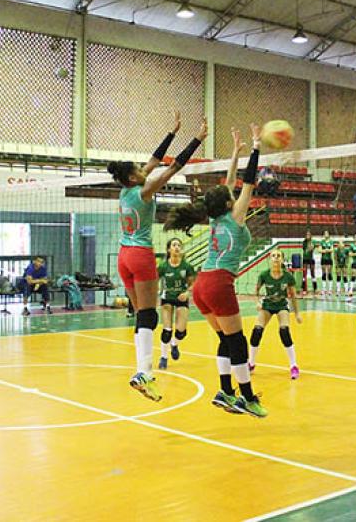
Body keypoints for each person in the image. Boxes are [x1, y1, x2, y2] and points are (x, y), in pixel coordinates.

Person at [164, 125, 268, 418]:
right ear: (228, 203)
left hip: (201, 285)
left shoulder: (216, 217)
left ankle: (225, 392)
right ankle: (247, 397)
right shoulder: (235, 216)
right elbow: (248, 183)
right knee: (238, 342)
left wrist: (235, 152)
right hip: (219, 283)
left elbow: (231, 182)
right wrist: (256, 147)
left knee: (226, 339)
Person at [108, 112, 206, 403]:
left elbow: (155, 158)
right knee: (149, 315)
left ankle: (141, 370)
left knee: (141, 314)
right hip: (140, 256)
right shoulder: (144, 191)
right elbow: (173, 167)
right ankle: (144, 373)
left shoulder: (125, 191)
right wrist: (197, 139)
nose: (145, 168)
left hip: (124, 256)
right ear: (132, 177)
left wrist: (172, 132)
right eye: (139, 169)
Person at [247, 248, 302, 379]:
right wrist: (257, 302)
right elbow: (256, 291)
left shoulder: (288, 276)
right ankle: (251, 363)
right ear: (270, 259)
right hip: (267, 305)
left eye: (278, 256)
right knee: (257, 331)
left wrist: (297, 313)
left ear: (282, 259)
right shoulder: (264, 275)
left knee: (284, 331)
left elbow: (293, 296)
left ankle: (294, 366)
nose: (276, 258)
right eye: (273, 256)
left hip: (282, 305)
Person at [157, 237, 196, 370]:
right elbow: (154, 280)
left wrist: (187, 293)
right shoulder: (163, 266)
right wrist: (155, 292)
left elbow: (192, 284)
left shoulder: (187, 266)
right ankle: (163, 357)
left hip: (181, 298)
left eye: (179, 245)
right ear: (169, 249)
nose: (177, 247)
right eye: (174, 245)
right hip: (167, 298)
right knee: (167, 331)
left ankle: (174, 344)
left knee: (181, 332)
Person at [300, 231, 317, 296]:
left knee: (313, 274)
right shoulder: (304, 242)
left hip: (311, 259)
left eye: (309, 235)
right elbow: (307, 249)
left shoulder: (313, 241)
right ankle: (304, 289)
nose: (308, 236)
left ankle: (315, 289)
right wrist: (310, 247)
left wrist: (311, 246)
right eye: (307, 235)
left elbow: (312, 248)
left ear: (311, 235)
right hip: (305, 259)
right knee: (304, 274)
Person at [318, 230, 333, 296]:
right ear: (324, 235)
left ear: (329, 235)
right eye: (325, 233)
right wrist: (325, 250)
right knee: (324, 274)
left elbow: (332, 249)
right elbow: (319, 250)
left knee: (329, 273)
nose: (326, 235)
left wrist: (326, 250)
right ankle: (323, 290)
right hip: (323, 259)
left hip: (329, 259)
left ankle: (330, 290)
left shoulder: (331, 241)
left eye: (327, 233)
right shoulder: (322, 242)